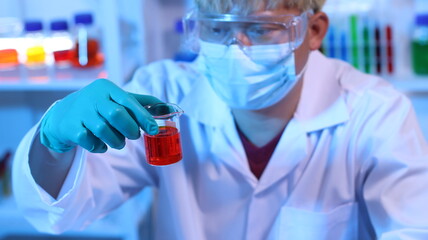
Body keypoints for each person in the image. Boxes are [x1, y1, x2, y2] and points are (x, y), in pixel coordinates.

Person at [12, 0, 428, 239]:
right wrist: (53, 140)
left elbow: (414, 227)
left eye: (259, 30)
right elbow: (57, 213)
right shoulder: (161, 95)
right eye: (215, 28)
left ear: (314, 30)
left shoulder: (375, 111)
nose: (235, 48)